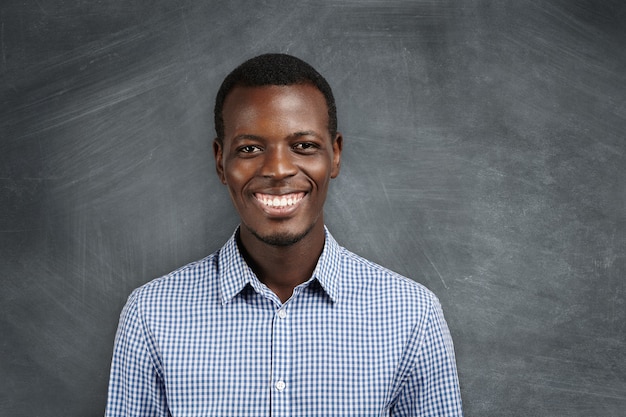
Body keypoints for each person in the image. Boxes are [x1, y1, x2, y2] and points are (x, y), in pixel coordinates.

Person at [105, 53, 463, 416]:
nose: (277, 170)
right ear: (220, 161)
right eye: (249, 149)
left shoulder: (411, 315)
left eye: (303, 146)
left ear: (335, 154)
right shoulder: (151, 315)